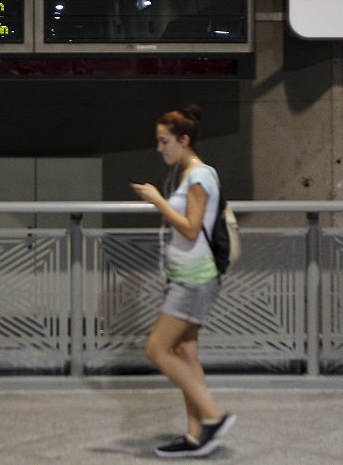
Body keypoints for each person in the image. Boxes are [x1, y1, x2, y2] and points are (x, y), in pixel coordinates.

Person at [130, 104, 235, 458]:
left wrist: (158, 201)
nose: (160, 148)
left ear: (183, 140)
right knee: (186, 354)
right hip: (185, 275)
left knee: (157, 349)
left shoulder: (199, 176)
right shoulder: (190, 174)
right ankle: (195, 437)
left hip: (194, 277)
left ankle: (214, 415)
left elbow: (190, 230)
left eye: (164, 141)